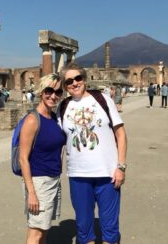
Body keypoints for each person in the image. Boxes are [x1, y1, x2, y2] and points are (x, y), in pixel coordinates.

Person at [58, 63, 127, 244]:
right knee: (84, 228)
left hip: (108, 174)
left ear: (84, 79)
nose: (75, 83)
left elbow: (120, 134)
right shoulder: (63, 107)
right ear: (65, 86)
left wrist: (121, 166)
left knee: (110, 228)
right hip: (78, 175)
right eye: (69, 81)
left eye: (78, 78)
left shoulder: (103, 100)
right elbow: (55, 140)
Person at [19, 73, 66, 244]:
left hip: (53, 179)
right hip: (39, 182)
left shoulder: (53, 118)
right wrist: (31, 193)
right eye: (49, 90)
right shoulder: (32, 120)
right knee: (36, 233)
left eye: (58, 92)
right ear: (40, 91)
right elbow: (23, 158)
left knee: (43, 230)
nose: (53, 95)